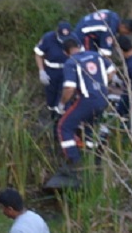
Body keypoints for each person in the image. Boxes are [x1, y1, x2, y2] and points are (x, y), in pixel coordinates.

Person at [46, 38, 115, 188]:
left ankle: (75, 164)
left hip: (87, 100)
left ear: (65, 52)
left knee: (64, 126)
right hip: (103, 99)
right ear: (80, 46)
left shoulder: (71, 63)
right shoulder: (96, 55)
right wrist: (102, 85)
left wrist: (62, 105)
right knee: (90, 127)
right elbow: (111, 71)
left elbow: (69, 89)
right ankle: (92, 158)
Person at [34, 21, 80, 117]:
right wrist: (41, 71)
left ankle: (60, 119)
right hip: (51, 71)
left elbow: (81, 55)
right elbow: (38, 54)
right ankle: (52, 115)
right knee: (51, 98)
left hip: (68, 71)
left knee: (63, 99)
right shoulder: (48, 38)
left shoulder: (75, 39)